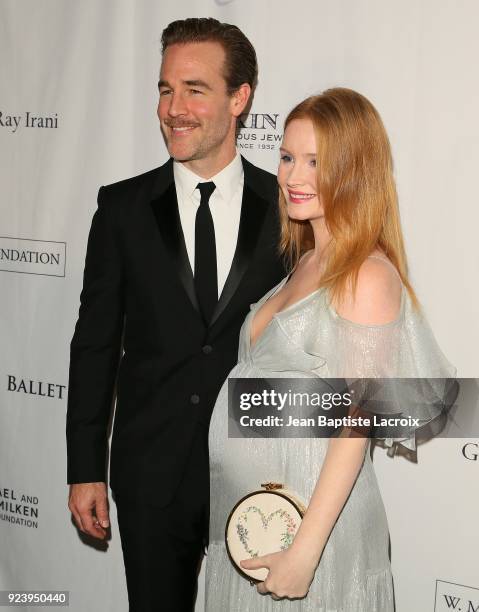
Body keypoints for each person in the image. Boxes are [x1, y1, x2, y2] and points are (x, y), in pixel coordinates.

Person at [205, 88, 455, 610]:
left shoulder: (366, 272)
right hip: (255, 524)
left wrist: (306, 549)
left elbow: (355, 421)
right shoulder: (307, 260)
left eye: (316, 162)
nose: (294, 177)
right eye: (288, 157)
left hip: (316, 539)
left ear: (355, 169)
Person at [66, 17, 285, 612]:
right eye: (165, 89)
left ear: (240, 99)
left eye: (195, 89)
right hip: (151, 475)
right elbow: (94, 344)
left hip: (261, 479)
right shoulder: (121, 209)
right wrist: (85, 468)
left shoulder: (288, 211)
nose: (174, 108)